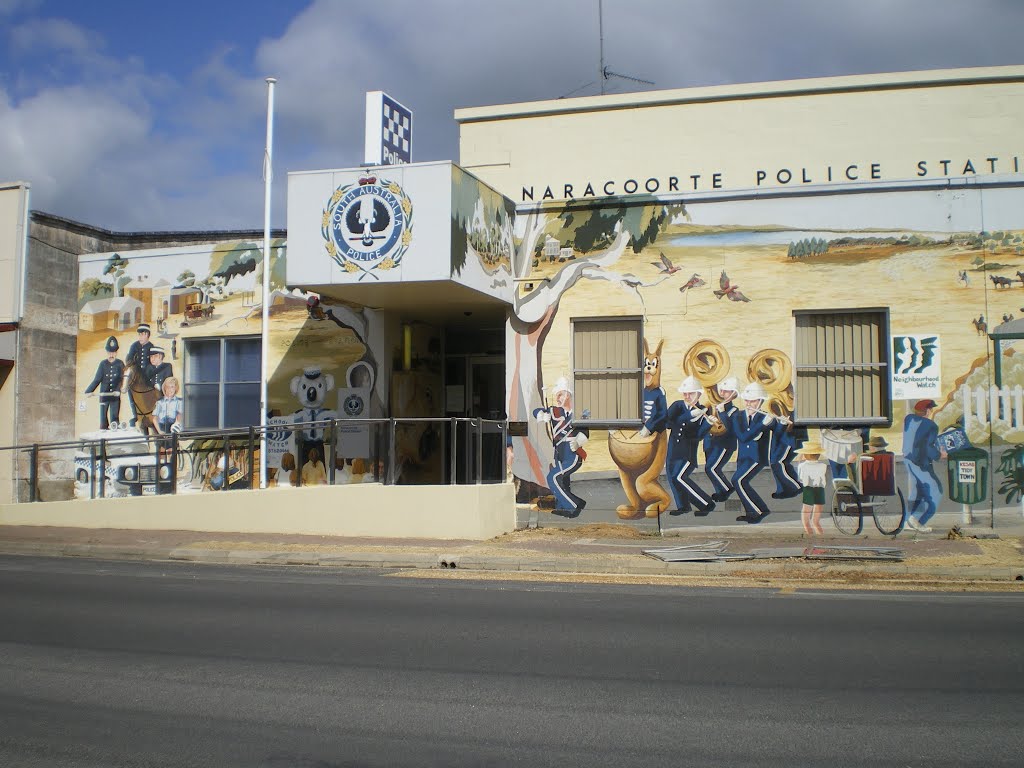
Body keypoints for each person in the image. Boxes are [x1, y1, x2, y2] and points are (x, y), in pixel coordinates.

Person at [533, 377, 589, 518]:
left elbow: (585, 433)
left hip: (572, 454)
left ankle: (573, 506)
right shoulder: (554, 411)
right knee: (563, 482)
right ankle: (562, 507)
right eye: (556, 395)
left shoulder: (580, 412)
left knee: (553, 477)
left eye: (560, 395)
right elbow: (537, 411)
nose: (557, 398)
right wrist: (541, 415)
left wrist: (578, 442)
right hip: (558, 453)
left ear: (568, 395)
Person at [663, 376, 715, 516]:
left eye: (690, 393)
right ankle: (683, 506)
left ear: (698, 394)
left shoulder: (704, 411)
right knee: (672, 478)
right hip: (673, 450)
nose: (686, 396)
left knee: (679, 477)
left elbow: (698, 436)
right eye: (685, 393)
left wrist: (708, 424)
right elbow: (667, 424)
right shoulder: (678, 406)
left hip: (688, 453)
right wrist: (688, 415)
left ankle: (706, 503)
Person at [729, 382, 774, 524]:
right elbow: (742, 437)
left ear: (760, 401)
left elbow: (780, 432)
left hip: (757, 458)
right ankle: (757, 510)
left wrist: (780, 423)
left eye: (753, 401)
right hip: (742, 457)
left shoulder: (765, 417)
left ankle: (757, 512)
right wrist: (762, 426)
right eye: (747, 400)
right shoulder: (738, 416)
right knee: (742, 482)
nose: (749, 403)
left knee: (738, 480)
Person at [903, 399, 946, 532]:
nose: (931, 411)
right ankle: (917, 520)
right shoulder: (931, 425)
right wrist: (940, 455)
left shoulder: (908, 419)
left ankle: (907, 521)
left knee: (917, 492)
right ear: (928, 411)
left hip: (908, 460)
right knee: (935, 491)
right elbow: (928, 447)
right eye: (931, 409)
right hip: (921, 463)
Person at [704, 377, 739, 502]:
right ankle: (720, 492)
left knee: (711, 468)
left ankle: (727, 488)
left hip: (724, 444)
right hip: (710, 443)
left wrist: (722, 412)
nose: (722, 393)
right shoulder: (713, 406)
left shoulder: (734, 411)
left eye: (727, 391)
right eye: (722, 391)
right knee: (713, 469)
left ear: (734, 394)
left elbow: (730, 429)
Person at [84, 335, 125, 430]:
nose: (111, 355)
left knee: (114, 420)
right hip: (104, 396)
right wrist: (88, 391)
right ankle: (103, 441)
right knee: (103, 421)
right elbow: (97, 379)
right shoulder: (103, 364)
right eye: (110, 352)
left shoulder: (120, 364)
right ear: (107, 352)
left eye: (113, 352)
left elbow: (122, 379)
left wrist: (119, 389)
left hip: (115, 396)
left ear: (116, 352)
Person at [123, 323, 153, 426]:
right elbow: (129, 359)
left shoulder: (151, 347)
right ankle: (135, 415)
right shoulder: (134, 346)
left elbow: (153, 362)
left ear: (147, 335)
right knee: (131, 391)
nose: (140, 337)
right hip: (136, 375)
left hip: (148, 376)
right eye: (139, 335)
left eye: (142, 334)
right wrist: (132, 362)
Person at [795, 442, 828, 535]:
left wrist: (800, 462)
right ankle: (819, 530)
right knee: (817, 514)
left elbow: (800, 479)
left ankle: (808, 531)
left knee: (806, 511)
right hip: (820, 489)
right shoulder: (823, 466)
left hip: (809, 489)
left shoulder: (802, 466)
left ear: (805, 455)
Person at [153, 376, 184, 460]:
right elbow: (155, 418)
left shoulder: (179, 401)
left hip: (172, 427)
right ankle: (162, 469)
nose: (170, 389)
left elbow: (179, 416)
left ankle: (171, 467)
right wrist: (159, 431)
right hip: (162, 427)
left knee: (171, 450)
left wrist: (176, 426)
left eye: (172, 387)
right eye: (168, 387)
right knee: (161, 451)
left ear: (176, 388)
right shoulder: (160, 402)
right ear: (164, 388)